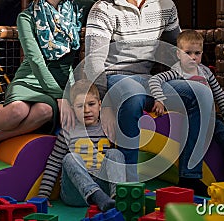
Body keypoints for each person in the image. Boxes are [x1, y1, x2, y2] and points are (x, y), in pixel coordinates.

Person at [83, 0, 215, 196]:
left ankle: (190, 176)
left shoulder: (165, 5)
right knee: (133, 93)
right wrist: (105, 104)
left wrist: (190, 75)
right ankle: (129, 181)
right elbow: (93, 63)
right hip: (114, 77)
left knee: (201, 92)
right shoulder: (103, 9)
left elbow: (176, 50)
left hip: (149, 79)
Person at [0, 0, 82, 163]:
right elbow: (35, 60)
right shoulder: (26, 17)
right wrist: (60, 96)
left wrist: (62, 93)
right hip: (30, 78)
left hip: (58, 81)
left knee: (44, 111)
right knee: (17, 111)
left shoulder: (78, 9)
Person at [148, 30, 224, 187]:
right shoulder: (177, 71)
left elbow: (220, 96)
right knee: (218, 127)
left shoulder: (205, 72)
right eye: (187, 53)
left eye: (197, 53)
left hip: (209, 117)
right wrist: (160, 99)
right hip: (193, 116)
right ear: (178, 54)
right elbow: (156, 80)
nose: (193, 57)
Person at [38, 79, 125, 212]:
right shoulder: (68, 131)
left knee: (115, 154)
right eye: (80, 106)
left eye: (91, 104)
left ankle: (119, 196)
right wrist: (43, 194)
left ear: (100, 105)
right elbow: (54, 162)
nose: (86, 110)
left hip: (105, 191)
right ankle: (96, 196)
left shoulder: (106, 128)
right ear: (73, 109)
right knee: (70, 157)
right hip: (75, 193)